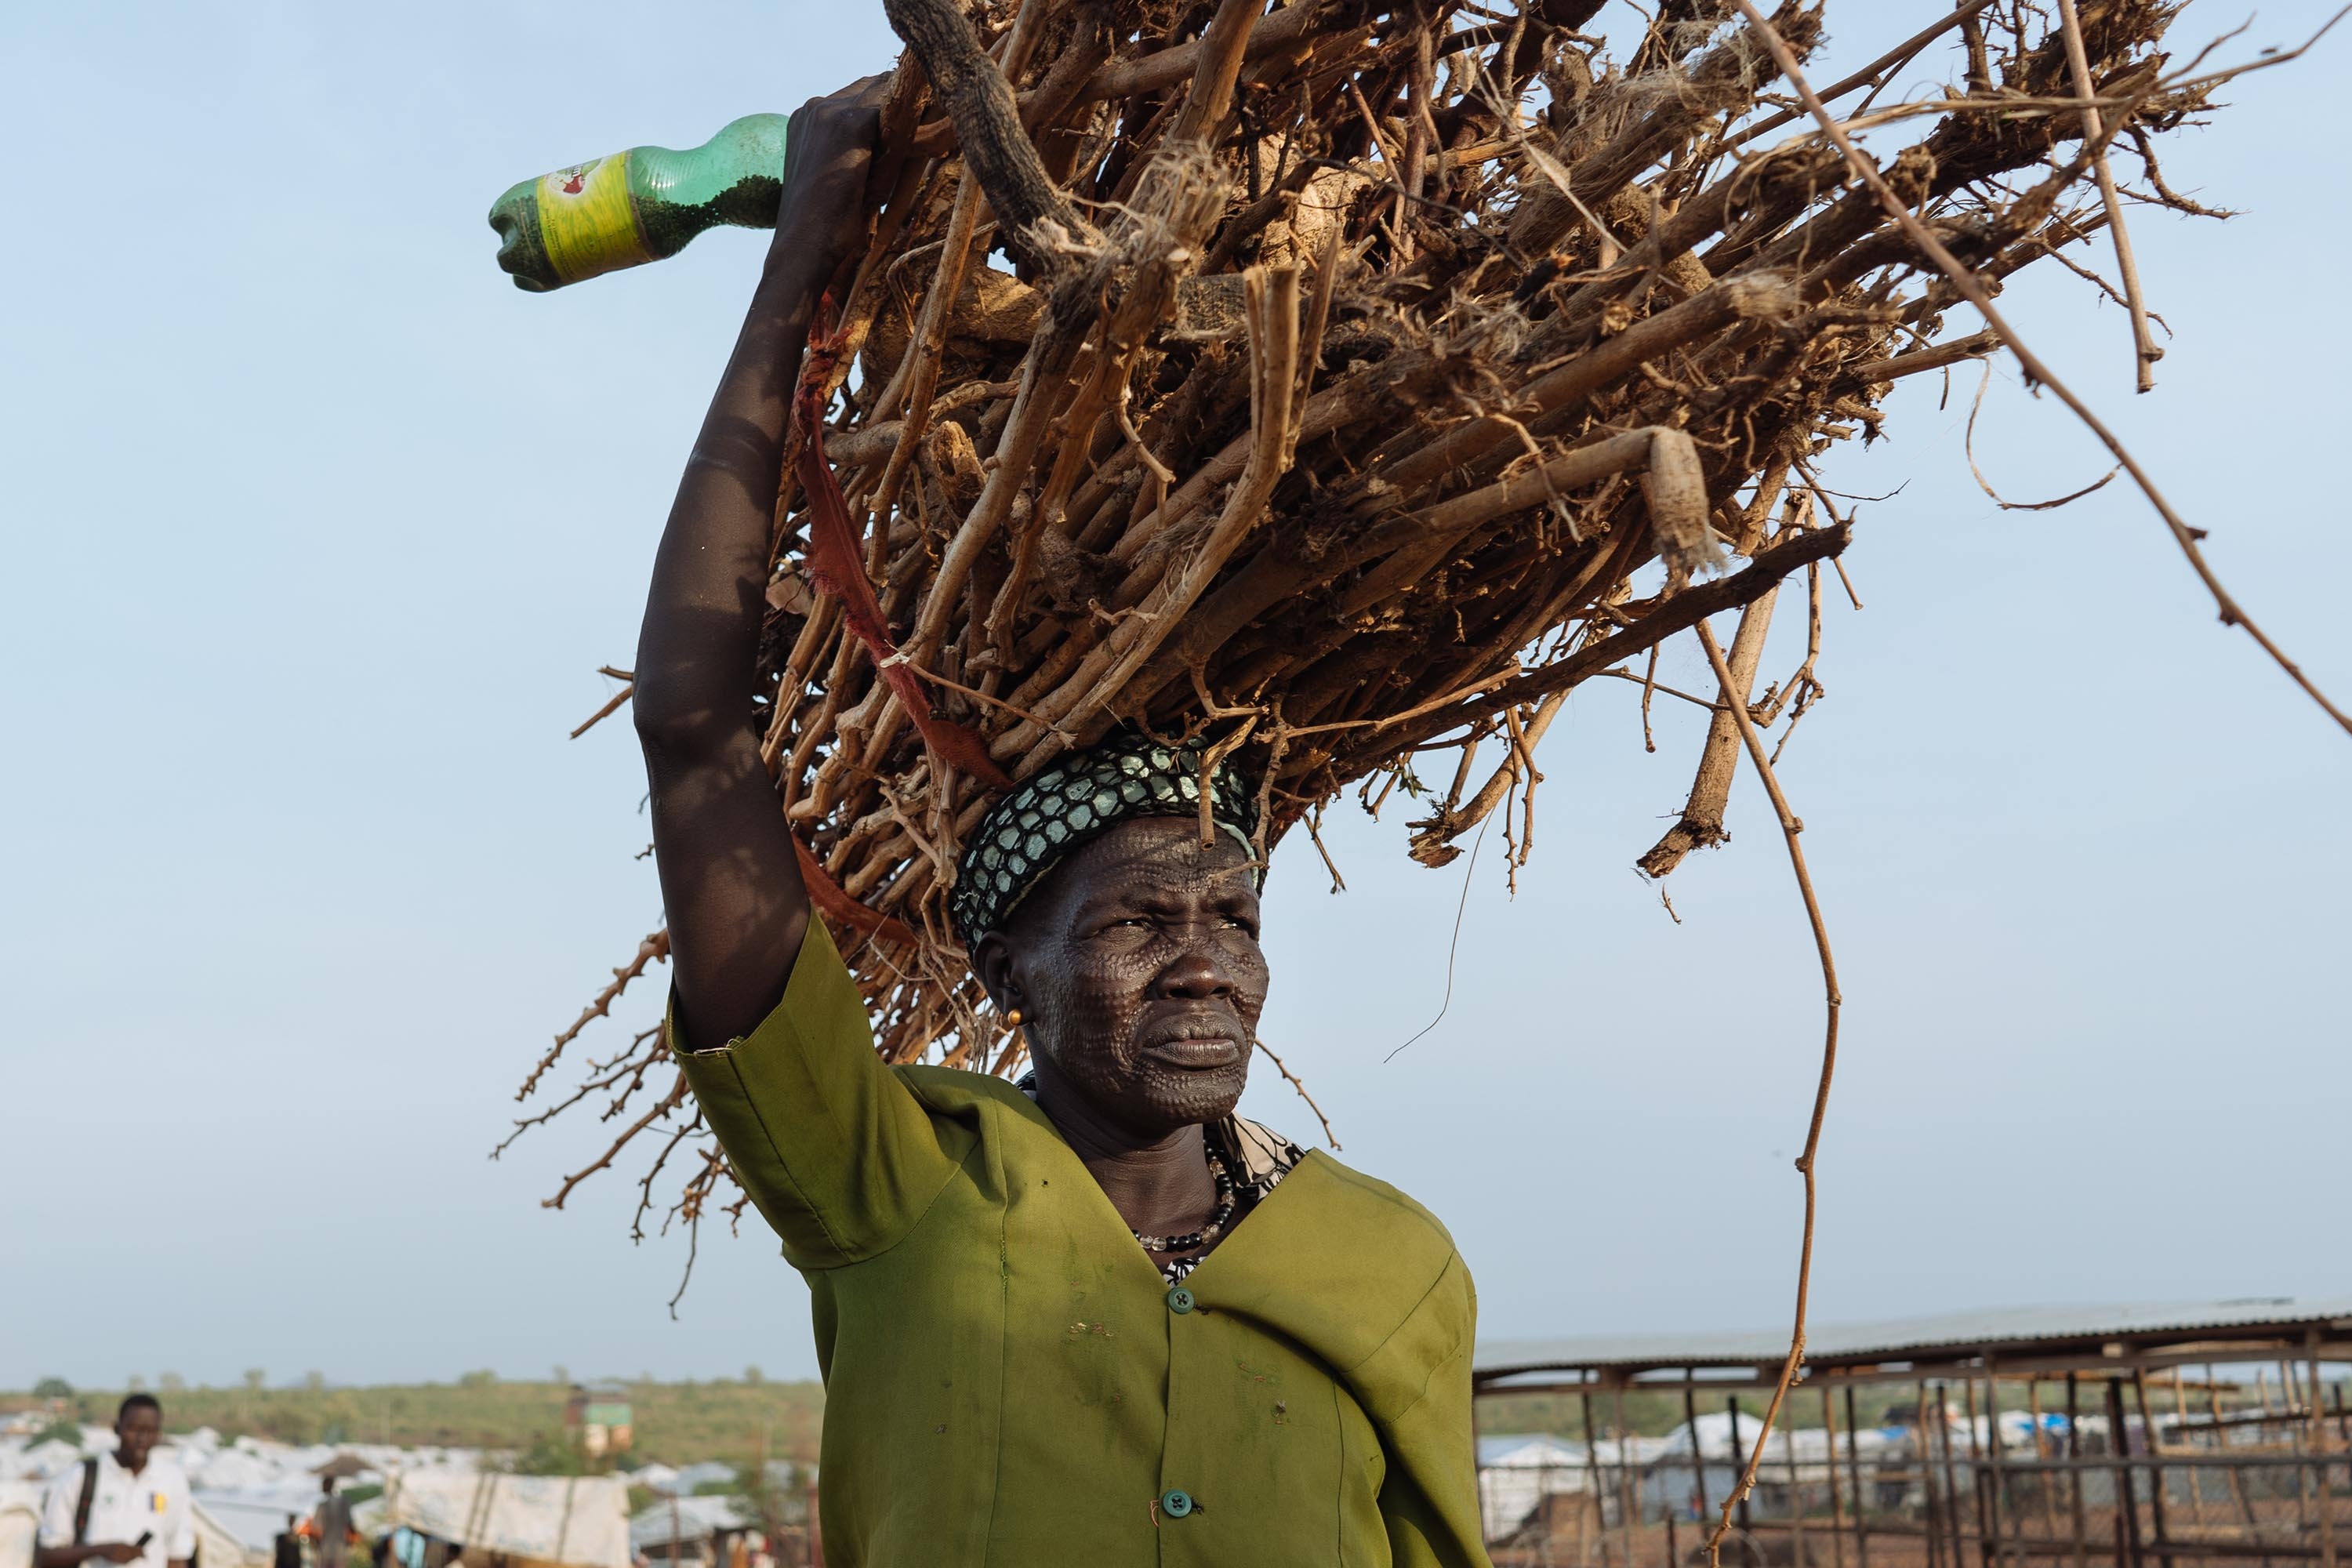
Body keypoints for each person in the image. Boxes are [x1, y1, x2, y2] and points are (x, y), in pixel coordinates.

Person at [630, 78, 1489, 1568]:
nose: (1206, 965)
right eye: (1140, 924)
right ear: (1007, 969)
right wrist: (801, 269)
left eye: (1231, 920)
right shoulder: (898, 1185)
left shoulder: (1391, 1264)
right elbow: (695, 733)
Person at [34, 1396, 193, 1568]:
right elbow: (47, 1557)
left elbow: (177, 1557)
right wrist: (101, 1550)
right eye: (134, 1429)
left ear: (159, 1434)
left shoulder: (172, 1479)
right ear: (117, 1429)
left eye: (150, 1431)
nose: (142, 1438)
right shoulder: (81, 1476)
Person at [310, 1480, 353, 1568]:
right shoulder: (343, 1502)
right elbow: (349, 1523)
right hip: (339, 1545)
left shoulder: (323, 1505)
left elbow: (316, 1528)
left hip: (328, 1547)